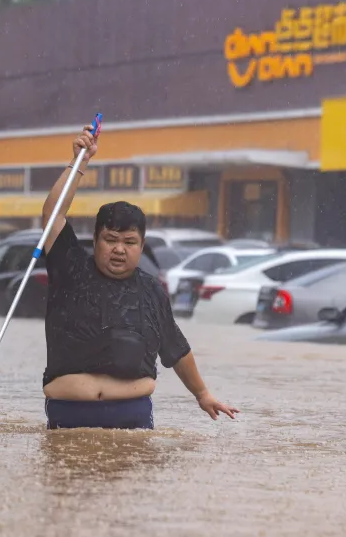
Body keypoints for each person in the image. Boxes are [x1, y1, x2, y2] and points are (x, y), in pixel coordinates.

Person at [40, 124, 239, 430]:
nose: (119, 249)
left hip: (132, 421)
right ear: (94, 241)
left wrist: (202, 394)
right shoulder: (70, 268)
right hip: (68, 417)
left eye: (129, 242)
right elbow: (53, 214)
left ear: (141, 246)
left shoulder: (151, 290)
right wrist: (78, 163)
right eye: (110, 239)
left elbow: (176, 347)